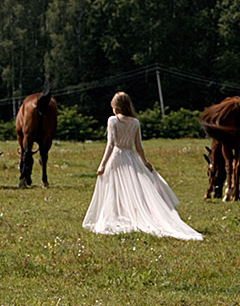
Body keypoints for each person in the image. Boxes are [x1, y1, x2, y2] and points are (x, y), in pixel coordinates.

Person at [82, 91, 202, 240]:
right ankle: (127, 215)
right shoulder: (135, 122)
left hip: (117, 158)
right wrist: (144, 162)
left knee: (114, 189)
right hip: (131, 158)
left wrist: (102, 165)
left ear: (116, 106)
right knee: (132, 189)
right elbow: (138, 146)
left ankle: (117, 216)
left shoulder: (113, 120)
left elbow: (111, 144)